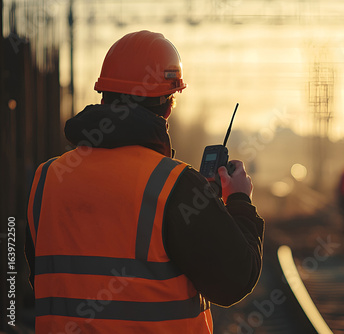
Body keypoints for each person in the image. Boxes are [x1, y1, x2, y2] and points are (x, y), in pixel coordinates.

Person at [25, 30, 265, 333]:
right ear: (167, 106)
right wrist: (240, 202)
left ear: (104, 95)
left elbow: (45, 278)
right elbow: (235, 280)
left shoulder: (46, 179)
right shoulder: (174, 186)